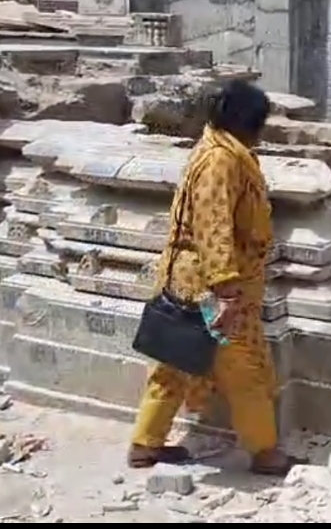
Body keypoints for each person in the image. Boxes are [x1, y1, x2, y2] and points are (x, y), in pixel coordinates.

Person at [128, 80, 301, 475]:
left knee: (171, 365)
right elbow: (213, 226)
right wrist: (227, 292)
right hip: (211, 292)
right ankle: (265, 453)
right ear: (246, 123)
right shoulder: (222, 161)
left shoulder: (219, 150)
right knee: (245, 369)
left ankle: (144, 445)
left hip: (188, 285)